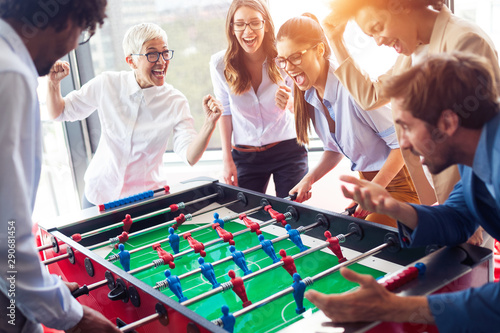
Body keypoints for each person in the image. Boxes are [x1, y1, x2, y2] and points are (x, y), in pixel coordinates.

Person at [306, 52, 500, 333]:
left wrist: (395, 308)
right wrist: (395, 208)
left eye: (407, 128)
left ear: (447, 123)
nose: (404, 143)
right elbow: (459, 217)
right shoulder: (479, 151)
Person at [0, 0, 120, 332]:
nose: (70, 49)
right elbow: (6, 233)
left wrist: (45, 291)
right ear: (68, 19)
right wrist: (73, 317)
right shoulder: (9, 72)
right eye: (81, 33)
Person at [323, 0, 500, 210]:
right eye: (371, 36)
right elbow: (369, 96)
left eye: (377, 28)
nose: (378, 42)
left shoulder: (465, 40)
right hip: (439, 195)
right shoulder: (412, 52)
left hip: (471, 202)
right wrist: (335, 41)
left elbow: (479, 137)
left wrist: (470, 212)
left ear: (399, 5)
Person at [47, 23, 222, 207]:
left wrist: (209, 124)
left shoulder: (175, 101)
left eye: (164, 52)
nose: (162, 61)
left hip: (146, 200)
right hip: (99, 195)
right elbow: (60, 112)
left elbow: (190, 156)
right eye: (152, 54)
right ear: (131, 61)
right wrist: (53, 84)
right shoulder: (107, 84)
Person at [277, 14, 419, 227]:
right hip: (370, 184)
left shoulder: (352, 89)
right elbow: (334, 149)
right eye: (282, 60)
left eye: (295, 57)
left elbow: (403, 144)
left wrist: (373, 189)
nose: (288, 67)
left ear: (320, 50)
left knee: (366, 245)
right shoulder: (311, 95)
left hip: (403, 184)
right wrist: (309, 179)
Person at [210, 0, 308, 198]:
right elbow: (225, 112)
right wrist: (227, 160)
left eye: (255, 22)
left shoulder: (282, 57)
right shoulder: (220, 64)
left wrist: (289, 103)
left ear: (266, 24)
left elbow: (304, 103)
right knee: (246, 214)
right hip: (245, 155)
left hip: (287, 148)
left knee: (292, 210)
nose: (248, 31)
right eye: (240, 24)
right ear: (232, 28)